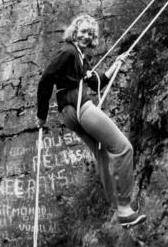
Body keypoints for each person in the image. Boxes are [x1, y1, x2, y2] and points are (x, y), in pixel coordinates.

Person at [36, 14, 146, 228]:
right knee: (123, 148)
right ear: (74, 32)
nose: (87, 36)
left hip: (70, 113)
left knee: (102, 156)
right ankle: (124, 207)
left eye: (90, 33)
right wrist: (41, 116)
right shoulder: (68, 52)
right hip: (79, 108)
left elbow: (97, 83)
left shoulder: (79, 57)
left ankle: (117, 210)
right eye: (83, 31)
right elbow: (45, 80)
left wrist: (115, 64)